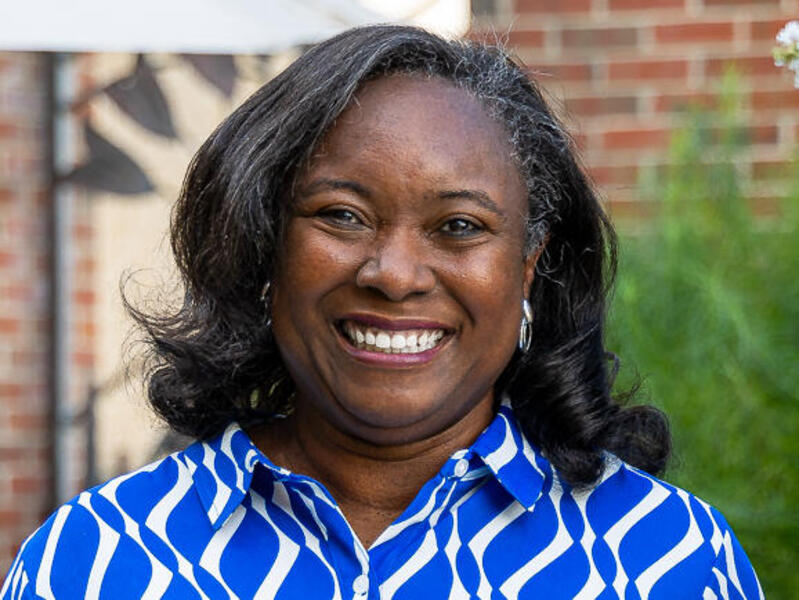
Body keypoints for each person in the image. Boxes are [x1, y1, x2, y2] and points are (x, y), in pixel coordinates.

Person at [2, 25, 762, 600]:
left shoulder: (663, 560)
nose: (393, 275)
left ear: (529, 269)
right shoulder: (100, 559)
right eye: (342, 215)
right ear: (264, 246)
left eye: (458, 226)